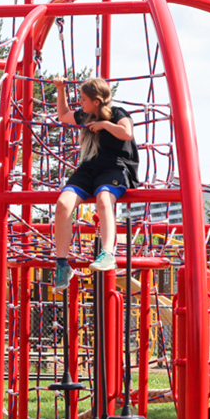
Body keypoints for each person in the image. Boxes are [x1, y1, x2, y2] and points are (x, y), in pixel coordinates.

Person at [52, 77, 139, 291]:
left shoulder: (118, 113)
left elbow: (127, 133)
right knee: (63, 205)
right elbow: (63, 115)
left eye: (83, 99)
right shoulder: (85, 116)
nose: (80, 103)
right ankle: (62, 264)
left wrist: (104, 125)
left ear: (96, 101)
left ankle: (108, 253)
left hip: (114, 167)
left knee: (103, 198)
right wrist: (60, 89)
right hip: (89, 168)